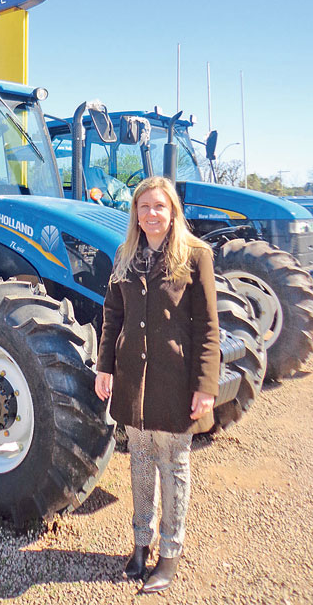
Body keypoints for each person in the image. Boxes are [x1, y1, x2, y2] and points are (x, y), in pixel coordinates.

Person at [95, 176, 220, 594]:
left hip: (175, 379)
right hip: (133, 379)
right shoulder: (125, 255)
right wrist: (104, 367)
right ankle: (140, 547)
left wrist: (205, 384)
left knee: (174, 466)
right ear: (136, 212)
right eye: (144, 206)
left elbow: (207, 326)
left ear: (172, 211)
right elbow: (112, 316)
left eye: (159, 206)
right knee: (140, 463)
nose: (151, 214)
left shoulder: (195, 256)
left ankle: (170, 554)